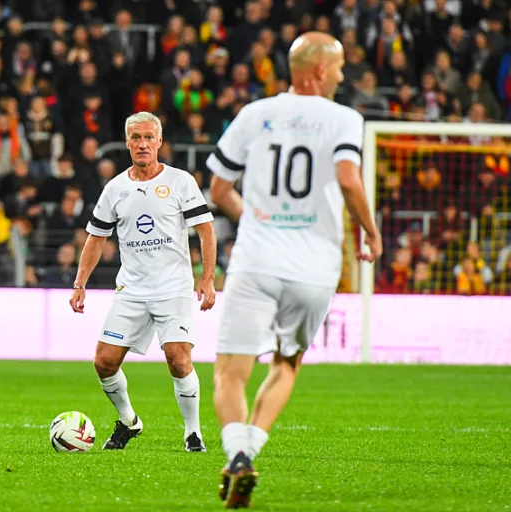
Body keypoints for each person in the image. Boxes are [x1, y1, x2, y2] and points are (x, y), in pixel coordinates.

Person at [206, 32, 383, 508]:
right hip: (315, 268)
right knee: (287, 364)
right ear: (321, 70)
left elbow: (218, 189)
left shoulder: (254, 114)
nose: (342, 75)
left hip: (257, 262)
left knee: (230, 372)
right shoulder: (345, 118)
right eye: (339, 67)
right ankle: (250, 452)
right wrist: (370, 230)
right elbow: (348, 179)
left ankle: (236, 453)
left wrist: (255, 219)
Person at [68, 112, 217, 453]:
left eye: (149, 137)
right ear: (127, 143)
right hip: (132, 290)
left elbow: (206, 231)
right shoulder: (115, 188)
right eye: (136, 137)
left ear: (159, 141)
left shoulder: (180, 182)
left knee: (178, 358)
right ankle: (129, 420)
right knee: (104, 362)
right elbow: (96, 238)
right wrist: (79, 283)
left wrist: (207, 278)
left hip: (173, 288)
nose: (143, 144)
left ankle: (193, 433)